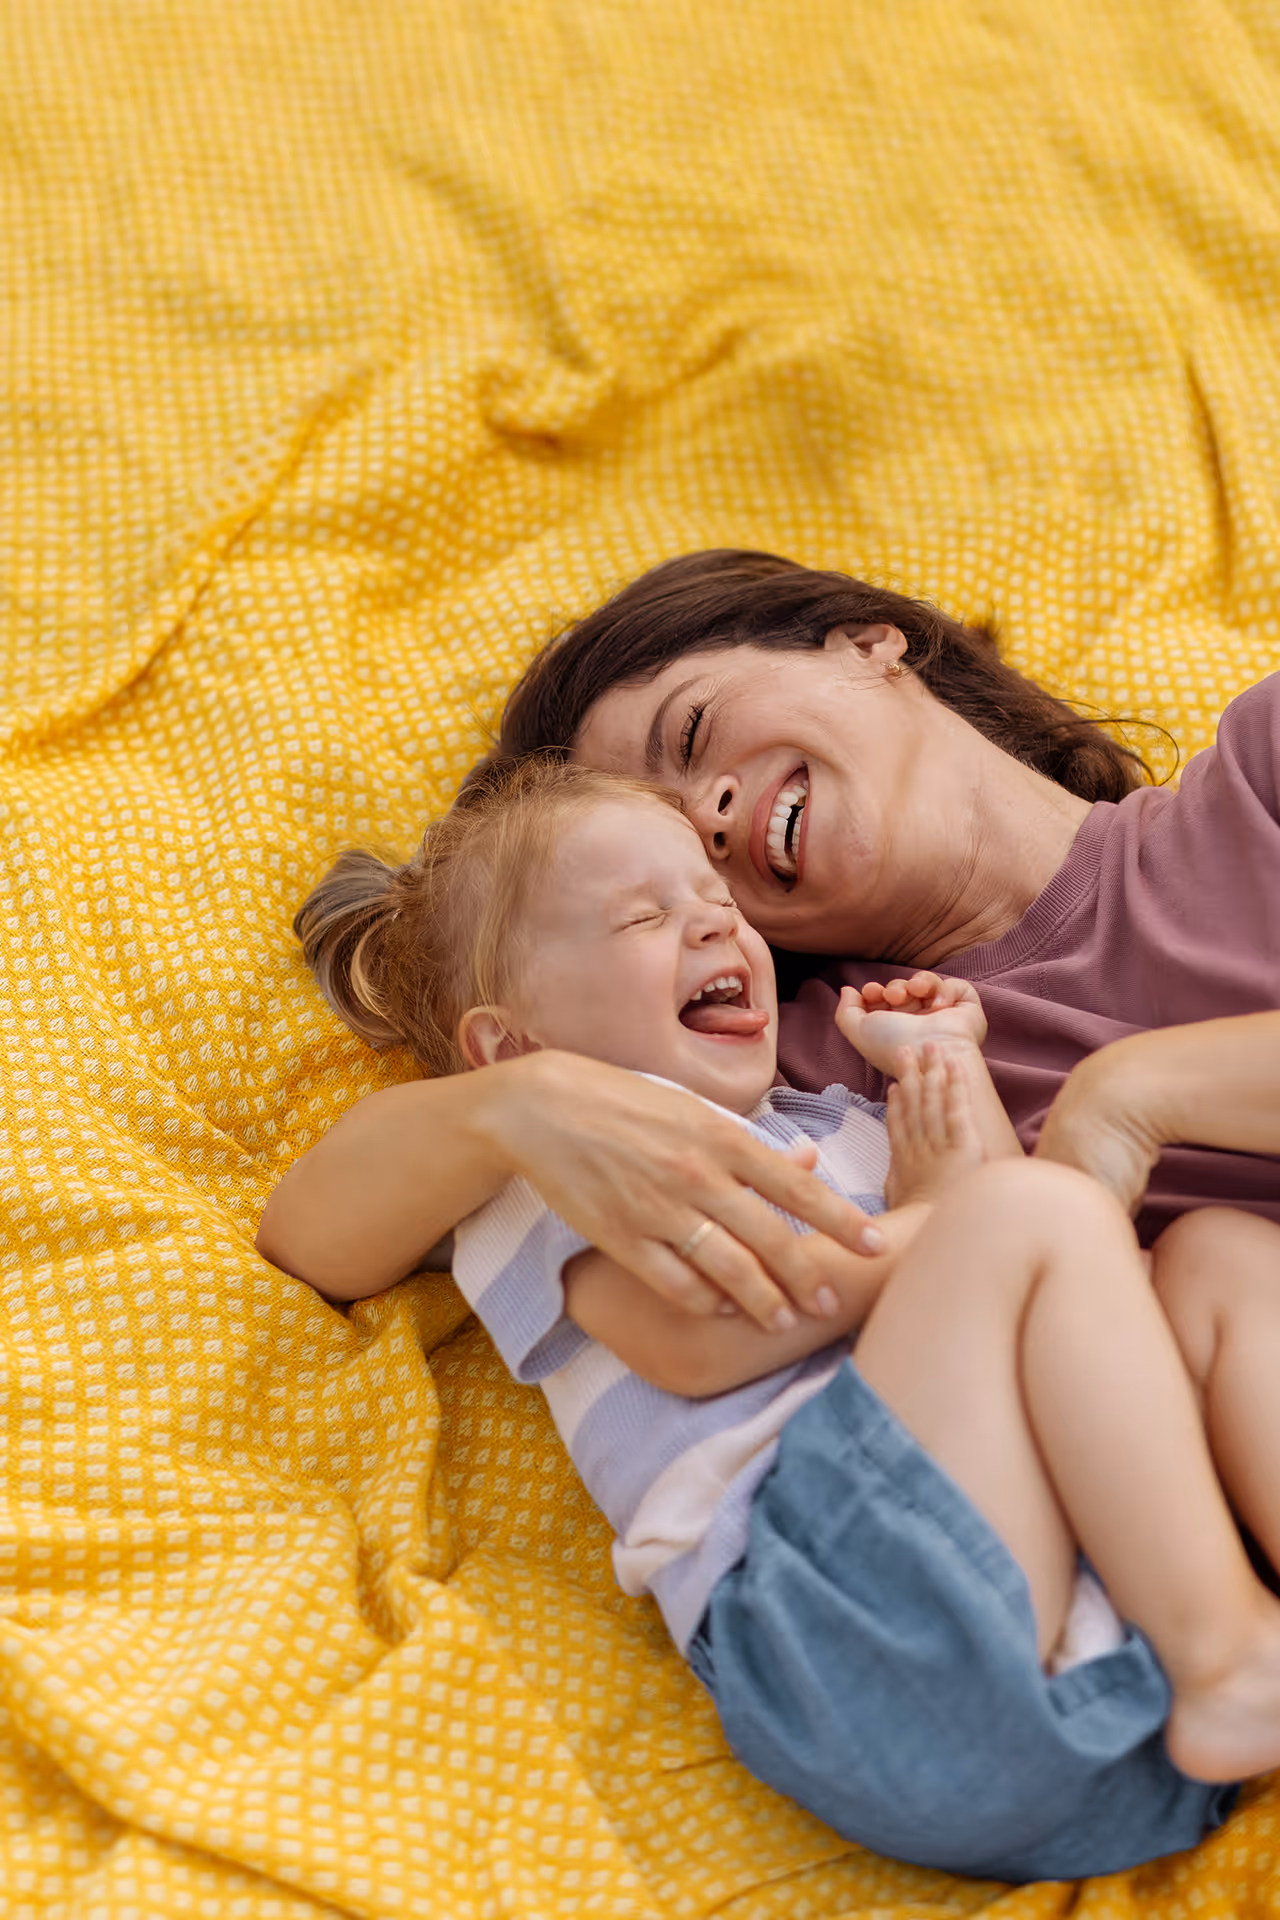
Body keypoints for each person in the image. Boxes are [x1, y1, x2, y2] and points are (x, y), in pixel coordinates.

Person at [261, 758, 1280, 1883]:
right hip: (858, 1646)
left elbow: (1037, 1262)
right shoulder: (559, 1166)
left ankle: (1228, 1639)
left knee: (1212, 1254)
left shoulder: (839, 1120)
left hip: (1097, 1656)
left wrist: (947, 1078)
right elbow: (696, 1342)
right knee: (1031, 1213)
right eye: (643, 916)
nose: (714, 923)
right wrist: (939, 1220)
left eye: (716, 899)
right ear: (510, 1050)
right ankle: (1229, 1650)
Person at [257, 549, 1280, 1333]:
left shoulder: (1259, 767)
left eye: (691, 732)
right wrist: (510, 1106)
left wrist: (1129, 1099)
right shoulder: (820, 1071)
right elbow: (319, 1244)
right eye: (665, 853)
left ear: (865, 644)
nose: (706, 817)